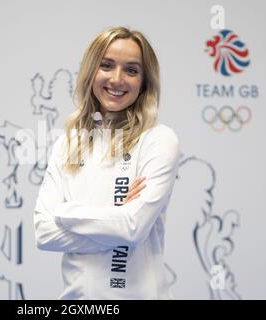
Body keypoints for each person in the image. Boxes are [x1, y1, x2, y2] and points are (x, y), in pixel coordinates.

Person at [34, 26, 180, 299]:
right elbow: (44, 233)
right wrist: (115, 219)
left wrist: (65, 212)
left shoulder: (159, 141)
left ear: (144, 82)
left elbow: (131, 228)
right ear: (91, 72)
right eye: (107, 65)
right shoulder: (68, 143)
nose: (117, 79)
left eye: (132, 70)